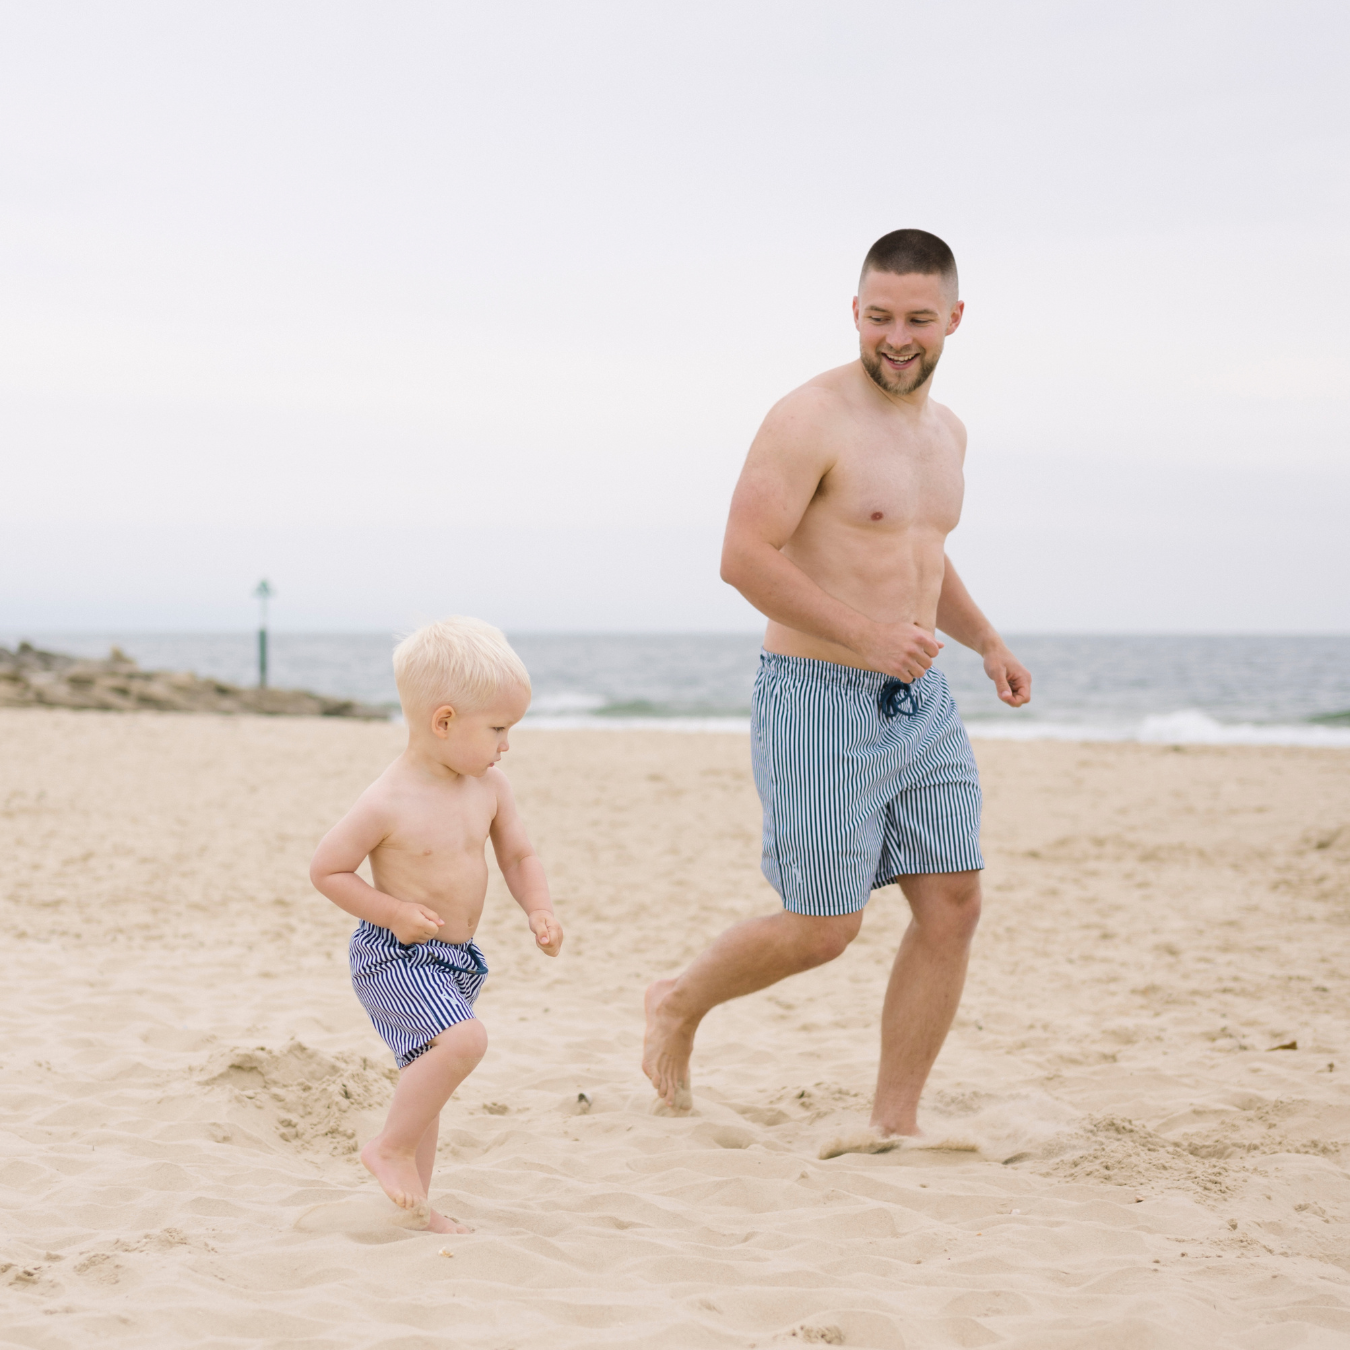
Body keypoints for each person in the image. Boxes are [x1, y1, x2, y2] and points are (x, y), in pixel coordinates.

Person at [642, 229, 1031, 1152]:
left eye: (918, 319)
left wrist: (985, 641)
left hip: (921, 696)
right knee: (823, 929)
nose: (897, 338)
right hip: (816, 694)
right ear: (856, 311)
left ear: (954, 319)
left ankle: (895, 1121)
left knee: (954, 902)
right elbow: (743, 555)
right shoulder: (808, 418)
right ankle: (677, 1001)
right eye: (880, 316)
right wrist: (866, 636)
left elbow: (921, 552)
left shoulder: (948, 433)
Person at [310, 617, 563, 1231]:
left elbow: (518, 855)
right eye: (498, 729)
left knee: (427, 1084)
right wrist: (393, 912)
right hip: (394, 954)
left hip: (456, 959)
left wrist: (539, 906)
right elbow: (328, 870)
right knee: (464, 1042)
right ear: (444, 721)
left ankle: (417, 1210)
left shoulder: (490, 786)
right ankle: (387, 1149)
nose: (507, 745)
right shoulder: (387, 801)